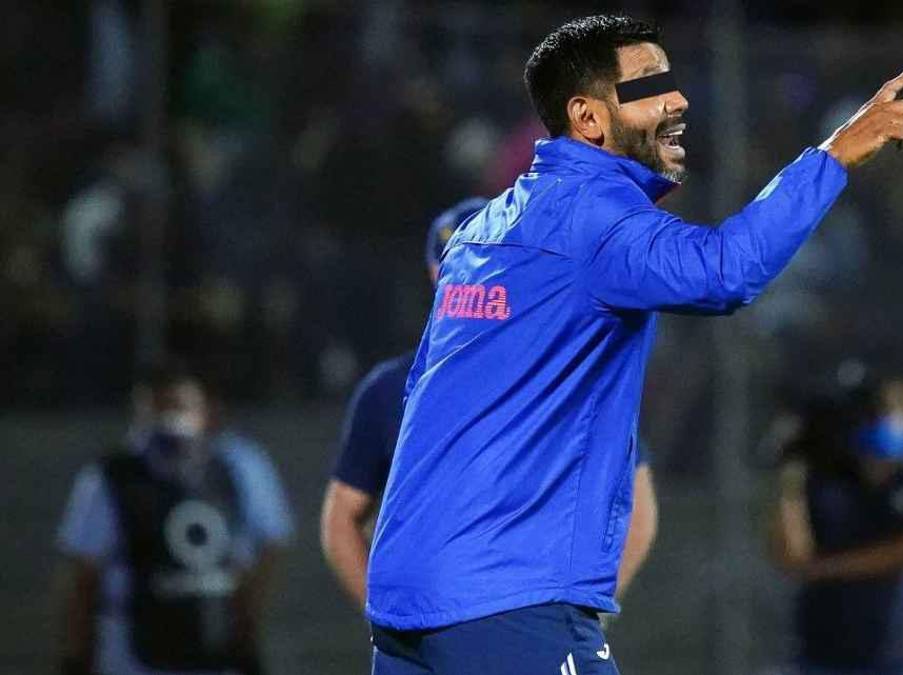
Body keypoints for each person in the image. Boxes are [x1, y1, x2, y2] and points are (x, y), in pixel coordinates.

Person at [366, 14, 903, 675]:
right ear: (588, 118)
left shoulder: (483, 228)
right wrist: (832, 157)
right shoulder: (594, 219)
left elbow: (424, 389)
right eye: (649, 84)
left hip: (407, 598)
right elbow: (723, 271)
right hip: (507, 594)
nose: (678, 98)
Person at [320, 200, 660, 609]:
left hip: (532, 611)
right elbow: (341, 516)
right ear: (436, 275)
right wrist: (385, 614)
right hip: (438, 615)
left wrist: (589, 609)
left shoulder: (568, 373)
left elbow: (636, 504)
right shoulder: (390, 390)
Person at [55, 360, 293, 675]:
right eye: (157, 409)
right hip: (133, 654)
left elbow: (263, 552)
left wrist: (246, 635)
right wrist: (76, 655)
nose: (169, 421)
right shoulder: (111, 477)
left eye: (179, 407)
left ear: (205, 410)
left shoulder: (235, 468)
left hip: (213, 647)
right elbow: (84, 573)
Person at [768, 368, 903, 675]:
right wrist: (790, 477)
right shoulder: (824, 483)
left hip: (891, 656)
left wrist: (826, 569)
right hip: (820, 656)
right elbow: (791, 557)